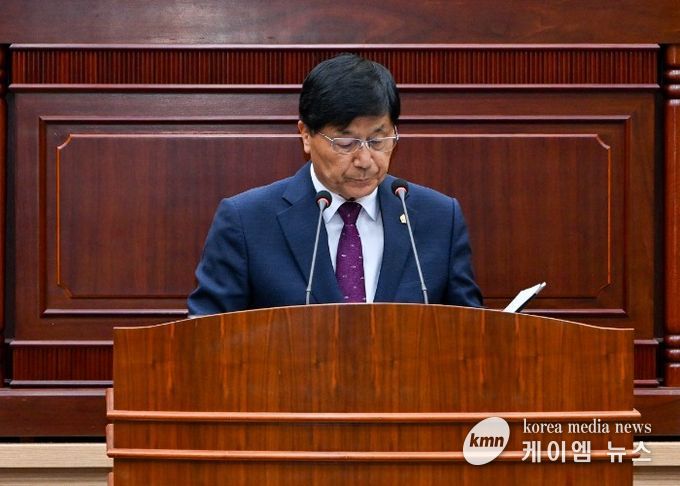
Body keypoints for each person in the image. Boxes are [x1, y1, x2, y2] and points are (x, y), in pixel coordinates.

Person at [187, 53, 482, 315]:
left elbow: (471, 334)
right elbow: (207, 336)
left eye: (378, 140)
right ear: (305, 135)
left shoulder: (439, 218)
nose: (365, 159)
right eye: (345, 142)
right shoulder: (246, 221)